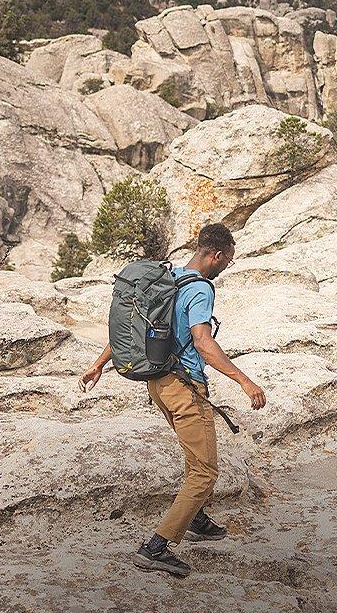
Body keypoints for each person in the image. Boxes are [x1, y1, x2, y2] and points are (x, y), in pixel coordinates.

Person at [78, 223, 267, 577]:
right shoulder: (200, 290)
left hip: (159, 385)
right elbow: (203, 343)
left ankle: (195, 518)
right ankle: (155, 547)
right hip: (185, 389)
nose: (228, 265)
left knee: (194, 457)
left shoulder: (169, 279)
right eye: (228, 259)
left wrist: (99, 365)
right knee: (205, 472)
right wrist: (245, 381)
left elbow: (136, 328)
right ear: (216, 255)